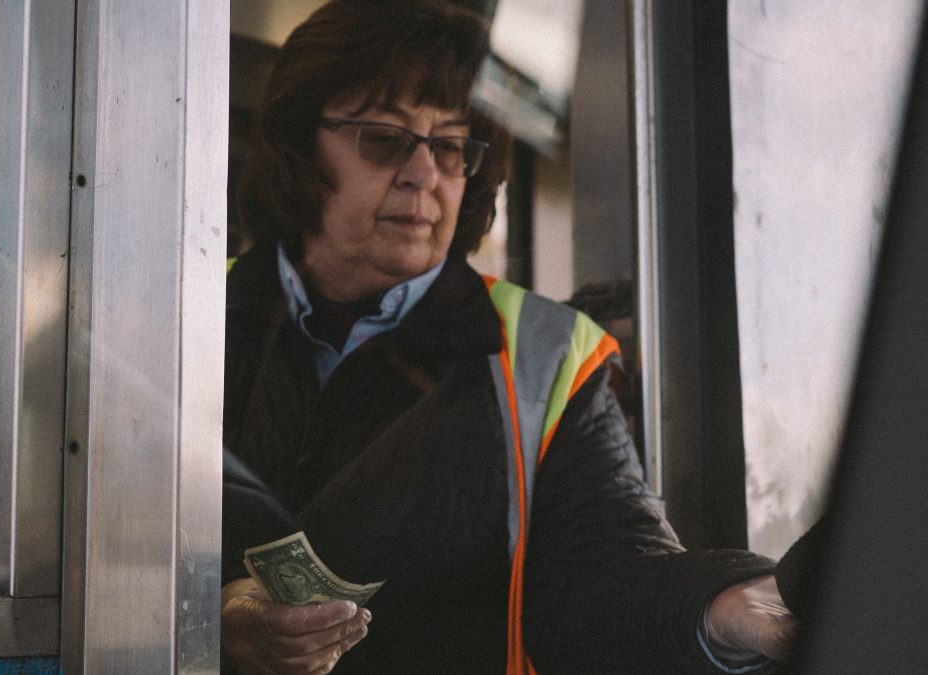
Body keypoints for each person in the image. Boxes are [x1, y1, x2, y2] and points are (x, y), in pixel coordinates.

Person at [221, 1, 796, 672]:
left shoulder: (549, 354)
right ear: (297, 146)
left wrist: (718, 603)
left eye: (451, 146)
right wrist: (209, 613)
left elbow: (603, 569)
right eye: (384, 138)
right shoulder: (185, 316)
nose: (423, 173)